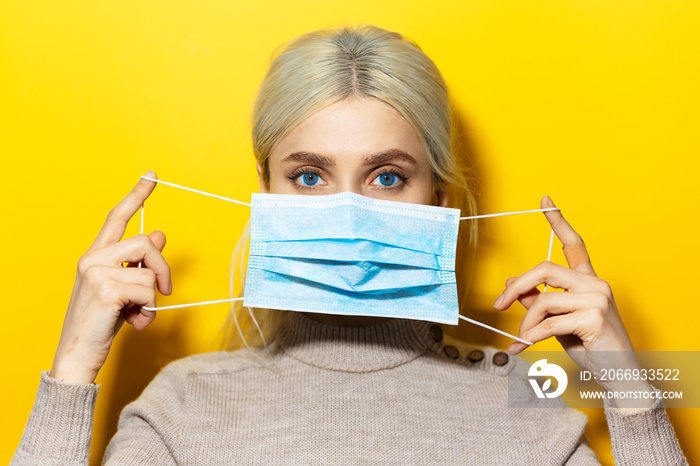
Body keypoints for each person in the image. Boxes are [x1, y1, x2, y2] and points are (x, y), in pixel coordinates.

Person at [13, 25, 687, 465]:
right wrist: (72, 371)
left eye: (387, 176)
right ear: (266, 195)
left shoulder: (528, 402)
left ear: (438, 201)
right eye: (309, 176)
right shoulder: (182, 407)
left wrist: (631, 385)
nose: (348, 214)